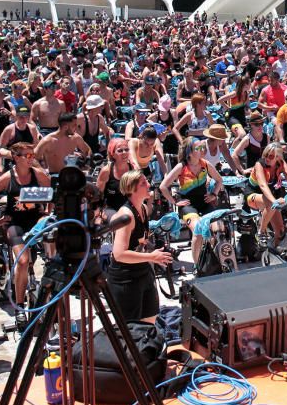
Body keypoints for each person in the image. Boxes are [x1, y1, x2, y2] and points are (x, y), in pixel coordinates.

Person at [0, 142, 51, 326]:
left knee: (54, 251)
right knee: (23, 261)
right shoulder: (8, 178)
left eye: (32, 155)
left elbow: (50, 195)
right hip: (16, 223)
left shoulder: (39, 175)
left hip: (36, 221)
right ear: (16, 157)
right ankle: (19, 306)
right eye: (26, 156)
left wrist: (47, 213)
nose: (31, 158)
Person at [107, 170, 173, 323]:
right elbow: (119, 254)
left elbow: (139, 240)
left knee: (150, 321)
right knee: (131, 330)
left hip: (142, 272)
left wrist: (155, 250)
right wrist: (152, 257)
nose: (149, 185)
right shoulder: (126, 215)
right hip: (125, 280)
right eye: (143, 183)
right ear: (131, 188)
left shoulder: (142, 208)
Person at [159, 137, 223, 264]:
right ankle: (198, 265)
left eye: (202, 147)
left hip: (204, 203)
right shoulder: (181, 167)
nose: (202, 150)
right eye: (198, 148)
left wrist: (214, 194)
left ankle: (212, 259)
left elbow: (219, 180)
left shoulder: (205, 164)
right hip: (188, 205)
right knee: (198, 230)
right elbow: (163, 186)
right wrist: (174, 202)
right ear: (189, 152)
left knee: (218, 228)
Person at [244, 141, 287, 241]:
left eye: (271, 156)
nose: (266, 158)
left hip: (270, 196)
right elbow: (263, 185)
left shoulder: (281, 163)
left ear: (278, 157)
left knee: (280, 232)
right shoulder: (260, 164)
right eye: (265, 155)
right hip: (253, 194)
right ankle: (261, 232)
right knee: (271, 203)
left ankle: (274, 249)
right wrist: (274, 201)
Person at [35, 112, 91, 177]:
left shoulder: (76, 138)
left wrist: (85, 162)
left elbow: (88, 150)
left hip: (71, 175)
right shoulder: (48, 141)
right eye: (74, 125)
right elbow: (34, 157)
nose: (76, 127)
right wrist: (42, 171)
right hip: (54, 176)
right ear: (65, 127)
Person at [96, 137, 132, 219]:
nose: (124, 153)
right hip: (110, 208)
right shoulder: (106, 171)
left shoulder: (133, 169)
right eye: (120, 150)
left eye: (126, 149)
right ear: (113, 154)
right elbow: (98, 195)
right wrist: (99, 212)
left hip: (129, 208)